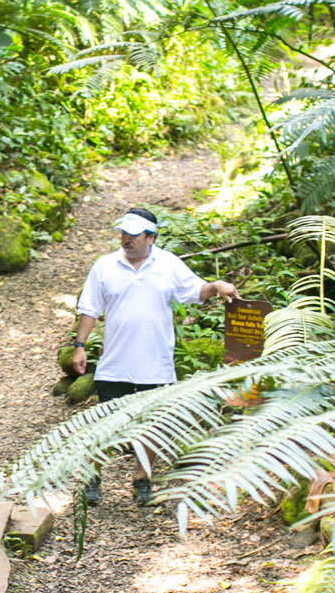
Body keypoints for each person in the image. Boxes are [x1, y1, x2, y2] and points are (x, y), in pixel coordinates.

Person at [72, 207, 237, 504]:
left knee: (151, 427)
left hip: (155, 364)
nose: (126, 239)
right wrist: (80, 344)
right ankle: (93, 478)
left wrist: (215, 286)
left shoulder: (168, 264)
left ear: (150, 238)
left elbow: (195, 291)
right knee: (104, 425)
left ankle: (142, 479)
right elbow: (89, 308)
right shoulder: (104, 266)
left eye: (133, 235)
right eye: (124, 233)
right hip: (114, 364)